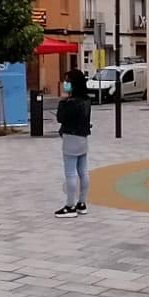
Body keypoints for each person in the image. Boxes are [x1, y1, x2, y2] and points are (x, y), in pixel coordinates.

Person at [55, 69, 93, 218]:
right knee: (83, 171)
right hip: (83, 137)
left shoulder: (70, 102)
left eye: (67, 81)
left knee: (70, 173)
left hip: (71, 137)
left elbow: (61, 118)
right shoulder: (86, 100)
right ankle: (82, 203)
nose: (65, 84)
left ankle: (69, 206)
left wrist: (63, 101)